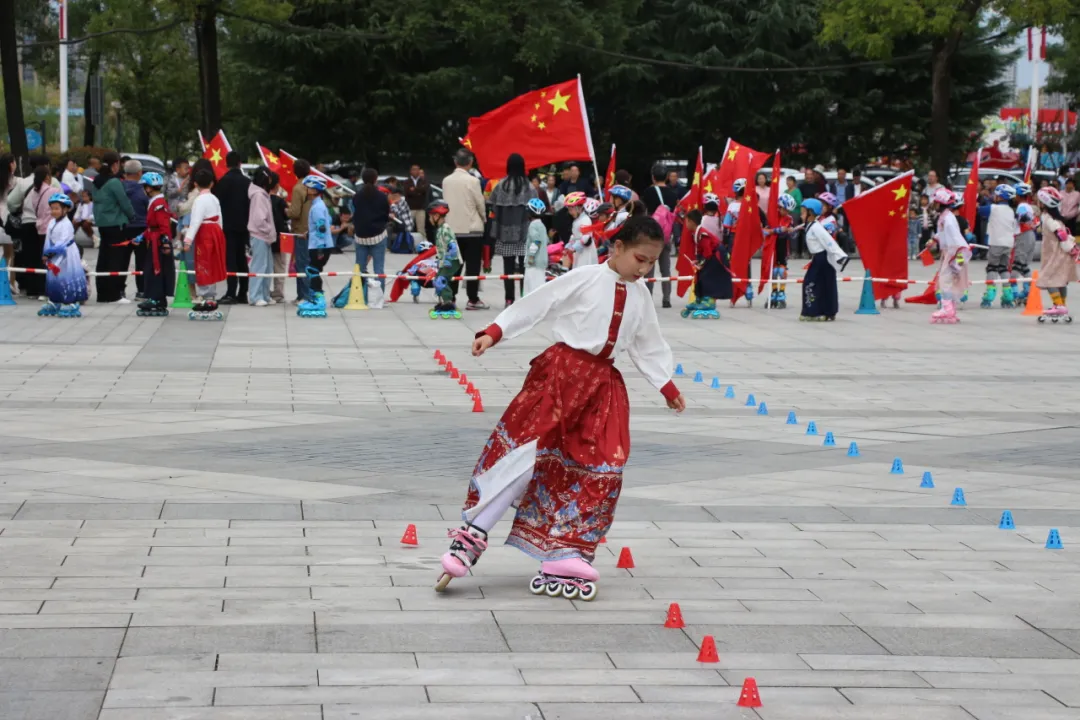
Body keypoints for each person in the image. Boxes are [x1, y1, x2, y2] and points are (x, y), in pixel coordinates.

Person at [434, 215, 686, 598]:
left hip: (603, 388)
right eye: (640, 258)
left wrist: (666, 385)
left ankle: (566, 548)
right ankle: (473, 533)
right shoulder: (584, 278)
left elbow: (646, 343)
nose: (645, 268)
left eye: (652, 262)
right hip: (561, 376)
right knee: (530, 455)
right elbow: (538, 304)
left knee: (602, 466)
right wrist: (494, 332)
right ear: (617, 248)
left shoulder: (641, 295)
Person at [443, 149, 489, 310]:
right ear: (470, 163)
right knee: (473, 265)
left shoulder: (446, 181)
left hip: (452, 228)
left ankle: (451, 297)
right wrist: (484, 218)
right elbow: (480, 203)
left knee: (454, 265)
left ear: (456, 162)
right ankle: (472, 298)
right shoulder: (473, 181)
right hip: (471, 228)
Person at [489, 153, 537, 307]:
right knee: (525, 267)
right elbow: (536, 208)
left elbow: (492, 205)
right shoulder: (529, 187)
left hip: (504, 232)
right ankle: (524, 297)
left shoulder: (501, 185)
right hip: (525, 233)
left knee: (508, 267)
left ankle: (509, 299)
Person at [182, 168, 228, 314]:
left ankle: (206, 297)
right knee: (212, 262)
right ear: (212, 183)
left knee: (203, 262)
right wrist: (220, 234)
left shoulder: (199, 200)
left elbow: (195, 221)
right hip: (215, 231)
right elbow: (220, 218)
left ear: (195, 184)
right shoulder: (214, 198)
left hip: (205, 233)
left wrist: (188, 240)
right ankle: (211, 296)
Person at [925, 188, 971, 324]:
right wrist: (935, 239)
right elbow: (945, 235)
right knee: (952, 280)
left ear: (940, 203)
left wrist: (954, 258)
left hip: (955, 252)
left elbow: (955, 239)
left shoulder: (948, 219)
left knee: (945, 280)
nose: (933, 205)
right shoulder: (945, 217)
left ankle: (947, 309)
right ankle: (951, 309)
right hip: (954, 252)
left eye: (935, 202)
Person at [133, 172, 175, 316]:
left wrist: (165, 242)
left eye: (144, 187)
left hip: (159, 242)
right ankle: (155, 297)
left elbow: (163, 225)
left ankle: (156, 298)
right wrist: (142, 236)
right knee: (151, 269)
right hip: (153, 238)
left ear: (149, 188)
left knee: (155, 269)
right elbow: (152, 226)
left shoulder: (158, 204)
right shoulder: (155, 202)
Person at [39, 192, 87, 317]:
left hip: (66, 255)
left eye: (57, 208)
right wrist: (45, 253)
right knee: (53, 277)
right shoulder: (51, 223)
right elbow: (47, 240)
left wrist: (49, 253)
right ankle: (55, 300)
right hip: (54, 254)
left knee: (67, 277)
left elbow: (62, 242)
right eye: (52, 208)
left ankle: (71, 302)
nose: (53, 211)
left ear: (65, 209)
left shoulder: (67, 224)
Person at [799, 198, 848, 321]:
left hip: (823, 258)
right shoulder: (810, 225)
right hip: (818, 258)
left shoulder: (816, 227)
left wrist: (840, 256)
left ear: (811, 213)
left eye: (803, 212)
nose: (801, 215)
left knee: (813, 283)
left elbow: (828, 241)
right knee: (818, 284)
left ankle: (819, 312)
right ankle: (817, 311)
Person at [1035, 186, 1079, 321]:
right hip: (1056, 253)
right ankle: (1061, 305)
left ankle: (1059, 305)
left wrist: (1070, 248)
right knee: (1060, 280)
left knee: (1048, 279)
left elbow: (1061, 234)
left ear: (1043, 203)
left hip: (1057, 253)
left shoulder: (1049, 219)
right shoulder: (1050, 217)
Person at [213, 152, 252, 304]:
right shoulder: (247, 182)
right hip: (244, 226)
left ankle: (230, 292)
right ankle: (243, 292)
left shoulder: (222, 182)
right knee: (242, 258)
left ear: (226, 164)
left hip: (228, 226)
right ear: (240, 163)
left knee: (230, 259)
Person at [680, 209, 728, 319]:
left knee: (706, 276)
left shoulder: (702, 234)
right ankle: (699, 298)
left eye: (686, 221)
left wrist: (702, 263)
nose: (685, 224)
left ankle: (708, 301)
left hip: (717, 256)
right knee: (699, 275)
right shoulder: (697, 233)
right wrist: (698, 261)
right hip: (711, 255)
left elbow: (708, 251)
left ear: (691, 222)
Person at [296, 175, 333, 315]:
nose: (306, 189)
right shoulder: (318, 204)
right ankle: (314, 298)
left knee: (312, 271)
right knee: (313, 271)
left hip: (319, 246)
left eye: (308, 187)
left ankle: (318, 300)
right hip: (318, 244)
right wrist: (309, 233)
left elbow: (321, 228)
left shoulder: (317, 207)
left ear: (314, 190)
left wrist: (320, 248)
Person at [643, 164, 678, 307]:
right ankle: (666, 299)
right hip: (666, 235)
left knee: (648, 267)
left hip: (651, 233)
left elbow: (645, 212)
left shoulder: (648, 192)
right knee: (666, 268)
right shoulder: (672, 194)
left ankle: (648, 298)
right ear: (667, 177)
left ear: (653, 177)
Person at [352, 167, 390, 292]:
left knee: (359, 268)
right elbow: (386, 214)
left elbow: (355, 213)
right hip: (378, 234)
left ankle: (358, 294)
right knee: (379, 269)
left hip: (361, 236)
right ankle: (379, 297)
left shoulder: (357, 196)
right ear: (376, 179)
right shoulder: (382, 196)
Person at [980, 184, 1018, 309]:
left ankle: (989, 294)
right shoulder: (1011, 210)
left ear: (1000, 196)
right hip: (1008, 243)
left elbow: (980, 210)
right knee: (1004, 268)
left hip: (996, 242)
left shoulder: (994, 208)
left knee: (992, 267)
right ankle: (1008, 295)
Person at [247, 167, 276, 307]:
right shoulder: (259, 196)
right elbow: (259, 220)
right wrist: (269, 230)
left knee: (267, 267)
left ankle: (264, 294)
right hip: (260, 235)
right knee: (259, 266)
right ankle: (255, 296)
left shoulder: (263, 194)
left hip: (265, 236)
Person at [120, 160, 150, 298]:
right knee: (142, 261)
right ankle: (142, 290)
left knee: (121, 260)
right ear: (139, 173)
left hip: (123, 228)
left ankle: (120, 289)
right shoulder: (143, 191)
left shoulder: (118, 188)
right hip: (141, 229)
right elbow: (148, 209)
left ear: (125, 173)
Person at [429, 200, 462, 319]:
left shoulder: (445, 228)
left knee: (441, 280)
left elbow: (452, 245)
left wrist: (448, 259)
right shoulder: (440, 229)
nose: (430, 219)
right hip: (445, 260)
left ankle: (448, 303)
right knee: (437, 280)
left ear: (437, 216)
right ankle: (443, 301)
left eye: (430, 216)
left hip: (452, 260)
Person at [287, 159, 313, 303]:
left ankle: (304, 295)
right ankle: (305, 294)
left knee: (301, 264)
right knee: (307, 263)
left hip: (300, 230)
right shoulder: (311, 187)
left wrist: (287, 210)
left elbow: (295, 212)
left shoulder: (298, 188)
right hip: (310, 230)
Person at [769, 193, 798, 309]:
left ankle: (782, 292)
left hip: (783, 246)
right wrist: (778, 229)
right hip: (772, 246)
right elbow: (765, 231)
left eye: (788, 211)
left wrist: (792, 231)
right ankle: (774, 291)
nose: (786, 212)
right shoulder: (772, 216)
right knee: (774, 271)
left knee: (781, 271)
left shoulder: (789, 218)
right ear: (779, 207)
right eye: (785, 210)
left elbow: (794, 234)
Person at [1012, 183, 1038, 305]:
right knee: (1024, 265)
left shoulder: (1022, 206)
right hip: (1030, 235)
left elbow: (1022, 218)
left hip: (1024, 235)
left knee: (1017, 266)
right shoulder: (1028, 206)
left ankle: (1015, 293)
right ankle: (1027, 291)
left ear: (1018, 195)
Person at [267, 172, 289, 304]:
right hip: (282, 237)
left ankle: (264, 291)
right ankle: (278, 293)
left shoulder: (262, 199)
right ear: (277, 186)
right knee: (280, 265)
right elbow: (287, 216)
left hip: (266, 235)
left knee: (265, 265)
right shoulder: (281, 201)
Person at [523, 198, 549, 296]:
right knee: (539, 288)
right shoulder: (542, 225)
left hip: (533, 263)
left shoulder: (533, 225)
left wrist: (530, 258)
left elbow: (536, 242)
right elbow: (545, 240)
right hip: (542, 262)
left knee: (531, 290)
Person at [0, 153, 16, 294]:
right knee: (9, 252)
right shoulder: (13, 180)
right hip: (5, 217)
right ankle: (9, 282)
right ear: (11, 164)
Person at [386, 184, 414, 254]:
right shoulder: (395, 202)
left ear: (397, 195)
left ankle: (387, 247)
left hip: (405, 225)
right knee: (388, 226)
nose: (390, 196)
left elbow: (397, 212)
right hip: (398, 223)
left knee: (389, 228)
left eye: (392, 195)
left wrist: (392, 203)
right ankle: (387, 247)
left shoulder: (403, 201)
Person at [404, 164, 429, 240]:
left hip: (421, 208)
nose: (416, 171)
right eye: (414, 169)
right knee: (408, 228)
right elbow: (407, 192)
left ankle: (424, 244)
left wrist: (414, 189)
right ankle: (407, 244)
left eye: (417, 169)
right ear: (410, 171)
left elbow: (424, 190)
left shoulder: (424, 181)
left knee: (421, 229)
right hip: (410, 208)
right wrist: (418, 191)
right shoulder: (407, 181)